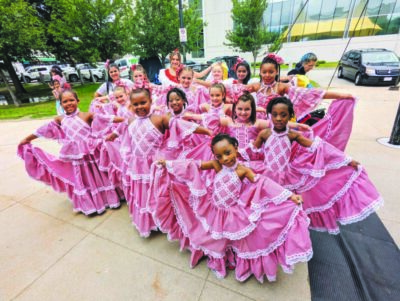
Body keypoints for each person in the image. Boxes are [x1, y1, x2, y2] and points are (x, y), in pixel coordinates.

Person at [150, 133, 312, 282]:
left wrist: (289, 195)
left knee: (228, 237)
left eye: (227, 153)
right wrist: (168, 164)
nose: (225, 159)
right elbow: (194, 165)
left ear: (235, 147)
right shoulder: (216, 164)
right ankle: (215, 259)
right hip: (213, 207)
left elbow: (262, 182)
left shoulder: (243, 170)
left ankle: (228, 257)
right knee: (210, 236)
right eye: (219, 156)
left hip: (231, 212)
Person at [249, 96, 383, 234]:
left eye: (283, 115)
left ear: (290, 116)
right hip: (267, 175)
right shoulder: (264, 133)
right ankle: (264, 233)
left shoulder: (293, 135)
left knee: (284, 205)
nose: (278, 119)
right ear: (269, 115)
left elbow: (319, 147)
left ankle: (282, 232)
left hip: (285, 177)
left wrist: (347, 160)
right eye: (275, 115)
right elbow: (251, 151)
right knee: (264, 205)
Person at [109, 86, 212, 237]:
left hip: (155, 164)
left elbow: (181, 126)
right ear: (131, 105)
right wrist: (111, 136)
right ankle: (148, 221)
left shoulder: (159, 119)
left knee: (157, 191)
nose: (140, 107)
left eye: (143, 102)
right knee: (142, 192)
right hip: (138, 164)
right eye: (136, 104)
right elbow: (120, 129)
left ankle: (161, 218)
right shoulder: (130, 120)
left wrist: (206, 131)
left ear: (151, 101)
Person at [17, 90, 123, 215]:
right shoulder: (59, 119)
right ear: (60, 104)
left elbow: (107, 119)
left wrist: (128, 119)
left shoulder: (86, 115)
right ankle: (92, 203)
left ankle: (109, 199)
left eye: (71, 100)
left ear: (77, 101)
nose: (69, 103)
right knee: (84, 178)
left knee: (99, 175)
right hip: (76, 157)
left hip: (91, 154)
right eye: (65, 101)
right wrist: (27, 139)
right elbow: (42, 130)